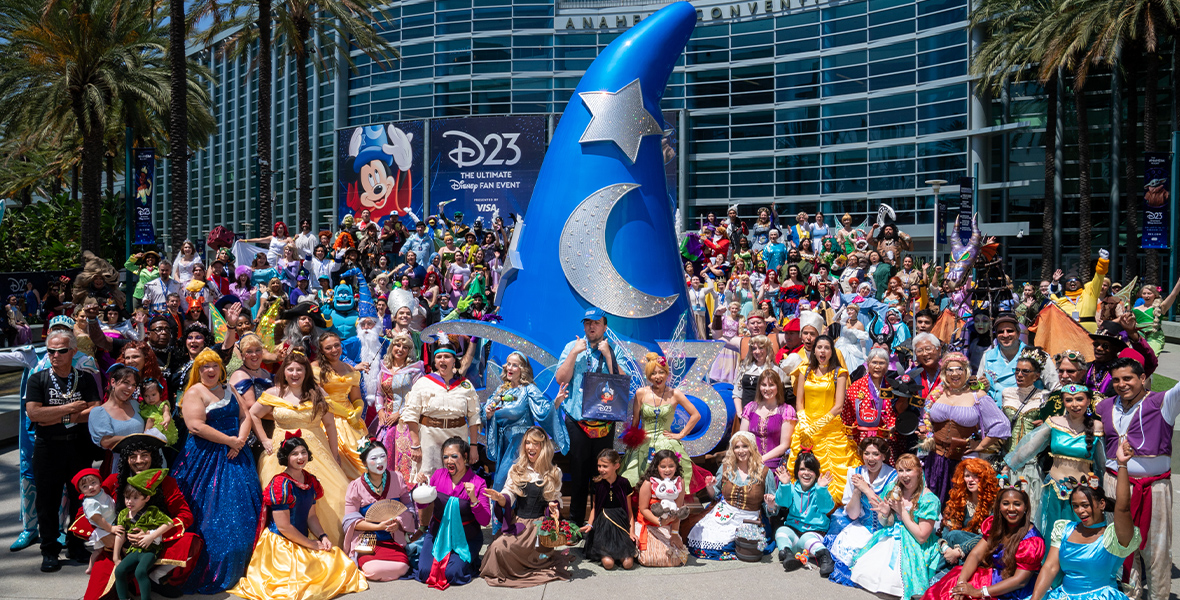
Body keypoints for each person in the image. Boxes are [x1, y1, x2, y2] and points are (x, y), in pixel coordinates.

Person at [229, 434, 368, 600]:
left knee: (340, 564)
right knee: (300, 587)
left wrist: (322, 536)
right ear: (286, 458)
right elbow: (283, 527)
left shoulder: (310, 480)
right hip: (281, 544)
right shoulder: (280, 484)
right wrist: (310, 543)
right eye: (294, 454)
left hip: (301, 538)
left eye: (303, 452)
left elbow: (311, 517)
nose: (300, 457)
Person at [171, 349, 262, 593]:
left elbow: (246, 416)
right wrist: (229, 441)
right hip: (206, 459)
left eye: (213, 366)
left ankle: (246, 566)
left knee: (243, 510)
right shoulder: (194, 392)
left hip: (236, 455)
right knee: (210, 515)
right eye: (204, 367)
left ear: (220, 368)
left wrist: (240, 440)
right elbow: (196, 426)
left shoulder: (230, 388)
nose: (210, 371)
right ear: (198, 370)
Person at [76, 435, 203, 600]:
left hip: (154, 546)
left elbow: (185, 515)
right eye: (133, 456)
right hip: (117, 546)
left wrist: (153, 535)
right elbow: (83, 513)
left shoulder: (166, 482)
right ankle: (129, 581)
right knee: (97, 597)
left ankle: (156, 577)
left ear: (153, 457)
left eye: (144, 455)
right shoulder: (114, 481)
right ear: (126, 459)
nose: (139, 460)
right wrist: (108, 536)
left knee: (190, 541)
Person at [1094, 358, 1180, 600]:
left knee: (1156, 550)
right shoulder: (1104, 406)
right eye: (1117, 380)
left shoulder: (1164, 402)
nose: (1122, 384)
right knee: (1120, 547)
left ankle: (1158, 597)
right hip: (1113, 483)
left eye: (1128, 378)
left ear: (1142, 378)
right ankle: (1128, 596)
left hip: (1154, 487)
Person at [251, 352, 350, 545]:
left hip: (316, 452)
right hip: (282, 453)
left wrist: (334, 454)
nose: (294, 373)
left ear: (306, 372)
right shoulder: (274, 393)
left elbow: (330, 425)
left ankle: (328, 542)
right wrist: (264, 439)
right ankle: (287, 547)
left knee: (336, 494)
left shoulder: (318, 392)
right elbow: (253, 414)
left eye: (299, 369)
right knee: (285, 498)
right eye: (290, 369)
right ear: (284, 371)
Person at [25, 329, 102, 571]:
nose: (55, 355)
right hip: (47, 447)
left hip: (78, 446)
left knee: (81, 497)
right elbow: (34, 414)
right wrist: (70, 410)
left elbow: (94, 410)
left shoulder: (86, 378)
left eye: (60, 350)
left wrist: (56, 416)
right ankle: (49, 550)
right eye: (50, 351)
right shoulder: (37, 379)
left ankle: (76, 544)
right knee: (47, 501)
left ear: (73, 352)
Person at [1028, 438, 1139, 600]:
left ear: (1101, 504)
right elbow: (1050, 567)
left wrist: (1122, 465)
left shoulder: (1115, 536)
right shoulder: (1064, 528)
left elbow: (1123, 508)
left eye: (1085, 505)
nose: (1080, 511)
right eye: (1076, 506)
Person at [1005, 384, 1104, 535]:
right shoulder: (1054, 423)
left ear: (1088, 401)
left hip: (1083, 493)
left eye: (1079, 399)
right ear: (1063, 402)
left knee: (1080, 533)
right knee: (1051, 531)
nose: (1074, 405)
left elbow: (1102, 464)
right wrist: (1008, 466)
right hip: (1054, 488)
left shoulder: (1097, 426)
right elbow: (1030, 446)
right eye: (1069, 400)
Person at [481, 427, 571, 588]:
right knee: (497, 548)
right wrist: (500, 498)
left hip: (539, 529)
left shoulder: (553, 472)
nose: (530, 447)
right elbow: (508, 494)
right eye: (528, 442)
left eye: (535, 443)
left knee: (506, 551)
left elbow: (555, 498)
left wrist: (553, 506)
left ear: (543, 447)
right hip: (519, 524)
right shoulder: (517, 469)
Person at [554, 307, 620, 525]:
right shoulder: (572, 347)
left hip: (604, 421)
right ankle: (575, 523)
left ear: (604, 326)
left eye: (596, 323)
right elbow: (561, 379)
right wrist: (575, 353)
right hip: (578, 420)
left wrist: (608, 355)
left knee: (602, 473)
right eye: (587, 323)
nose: (591, 327)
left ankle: (600, 524)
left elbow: (620, 383)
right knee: (579, 472)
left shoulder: (614, 349)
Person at [923, 487, 1045, 600]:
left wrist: (979, 592)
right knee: (955, 580)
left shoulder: (1032, 541)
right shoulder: (996, 526)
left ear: (1025, 507)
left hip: (1012, 590)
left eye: (1017, 504)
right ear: (999, 506)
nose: (1011, 508)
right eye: (1006, 503)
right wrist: (961, 584)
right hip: (991, 577)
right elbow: (976, 554)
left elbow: (1020, 581)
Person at [848, 453, 941, 599]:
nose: (904, 475)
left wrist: (902, 511)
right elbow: (886, 523)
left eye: (909, 470)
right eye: (901, 471)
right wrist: (885, 514)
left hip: (914, 543)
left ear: (919, 472)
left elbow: (922, 536)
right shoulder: (893, 488)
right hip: (891, 535)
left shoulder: (929, 500)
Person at [921, 352, 1010, 499]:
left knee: (959, 504)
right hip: (935, 459)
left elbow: (1002, 424)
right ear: (944, 373)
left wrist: (981, 445)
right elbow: (924, 418)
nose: (954, 373)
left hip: (963, 460)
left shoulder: (977, 395)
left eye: (959, 369)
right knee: (932, 502)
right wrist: (924, 431)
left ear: (966, 371)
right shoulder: (937, 393)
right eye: (950, 369)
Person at [414, 437, 492, 589]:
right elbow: (423, 505)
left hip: (466, 538)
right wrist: (422, 488)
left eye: (454, 456)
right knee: (424, 572)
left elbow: (484, 520)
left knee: (452, 574)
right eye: (445, 457)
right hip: (437, 535)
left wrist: (474, 500)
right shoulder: (438, 475)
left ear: (465, 457)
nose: (449, 460)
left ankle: (470, 561)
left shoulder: (478, 482)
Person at [484, 352, 570, 491]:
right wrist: (488, 414)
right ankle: (504, 513)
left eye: (515, 365)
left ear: (522, 369)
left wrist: (556, 401)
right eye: (508, 364)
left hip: (521, 444)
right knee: (504, 484)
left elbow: (544, 410)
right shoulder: (501, 391)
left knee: (504, 484)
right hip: (505, 445)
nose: (509, 368)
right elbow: (486, 412)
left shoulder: (528, 389)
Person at [790, 334, 858, 502]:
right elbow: (799, 402)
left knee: (834, 473)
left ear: (831, 352)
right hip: (806, 428)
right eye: (819, 347)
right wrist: (805, 422)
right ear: (814, 351)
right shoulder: (804, 371)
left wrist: (817, 425)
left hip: (830, 431)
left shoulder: (839, 373)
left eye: (827, 348)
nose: (823, 351)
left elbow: (838, 406)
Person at [688, 432, 775, 560]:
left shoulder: (765, 472)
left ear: (752, 447)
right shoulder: (725, 468)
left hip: (749, 517)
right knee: (700, 538)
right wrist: (709, 487)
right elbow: (715, 496)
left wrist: (771, 505)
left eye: (745, 446)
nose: (741, 451)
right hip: (725, 513)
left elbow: (770, 511)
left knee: (733, 544)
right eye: (736, 447)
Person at [826, 437, 899, 587]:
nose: (870, 459)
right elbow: (853, 515)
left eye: (875, 454)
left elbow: (885, 510)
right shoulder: (855, 473)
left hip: (886, 529)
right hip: (863, 527)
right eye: (867, 453)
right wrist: (857, 492)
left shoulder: (894, 477)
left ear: (884, 456)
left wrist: (866, 489)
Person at [621, 352, 700, 488]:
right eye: (653, 373)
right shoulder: (641, 393)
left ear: (667, 373)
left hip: (667, 442)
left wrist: (681, 435)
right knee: (633, 479)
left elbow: (696, 415)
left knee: (672, 481)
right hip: (644, 442)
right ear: (649, 376)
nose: (657, 377)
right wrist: (631, 441)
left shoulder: (675, 394)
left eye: (661, 372)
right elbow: (635, 422)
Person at [403, 342, 482, 478]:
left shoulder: (465, 385)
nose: (442, 360)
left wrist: (473, 446)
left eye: (447, 356)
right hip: (430, 437)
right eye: (439, 357)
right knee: (427, 479)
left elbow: (474, 417)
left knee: (456, 477)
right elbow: (411, 415)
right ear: (435, 361)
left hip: (457, 438)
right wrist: (415, 445)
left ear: (454, 361)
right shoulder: (423, 382)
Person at [342, 439, 416, 582]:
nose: (379, 462)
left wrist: (398, 522)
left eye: (382, 456)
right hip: (369, 541)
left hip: (393, 539)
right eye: (373, 458)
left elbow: (409, 507)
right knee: (374, 570)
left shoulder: (397, 478)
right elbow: (350, 519)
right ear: (364, 463)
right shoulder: (355, 486)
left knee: (402, 567)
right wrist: (377, 526)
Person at [112, 469, 175, 600]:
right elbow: (120, 534)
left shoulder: (152, 512)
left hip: (150, 549)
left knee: (140, 572)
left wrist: (151, 536)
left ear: (146, 498)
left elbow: (169, 523)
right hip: (134, 550)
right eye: (127, 497)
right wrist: (116, 556)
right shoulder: (124, 514)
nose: (130, 501)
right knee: (119, 571)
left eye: (135, 498)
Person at [771, 450, 836, 574]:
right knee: (781, 531)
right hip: (795, 533)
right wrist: (784, 485)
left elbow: (826, 508)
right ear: (797, 472)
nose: (806, 473)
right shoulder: (791, 488)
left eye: (810, 470)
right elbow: (783, 502)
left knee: (806, 538)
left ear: (816, 473)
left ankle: (825, 558)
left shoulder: (819, 489)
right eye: (802, 469)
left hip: (814, 534)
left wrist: (821, 489)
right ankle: (788, 555)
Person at [314, 332, 368, 480]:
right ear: (322, 351)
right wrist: (345, 412)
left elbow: (357, 398)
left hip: (351, 422)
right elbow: (319, 399)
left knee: (362, 459)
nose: (334, 350)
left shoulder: (350, 368)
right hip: (326, 419)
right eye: (328, 348)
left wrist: (358, 410)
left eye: (336, 345)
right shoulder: (315, 368)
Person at [375, 333, 424, 481]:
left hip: (406, 421)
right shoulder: (383, 369)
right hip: (386, 420)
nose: (400, 349)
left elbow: (418, 397)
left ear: (409, 351)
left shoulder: (414, 371)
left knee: (405, 457)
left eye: (405, 347)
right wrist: (380, 410)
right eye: (397, 345)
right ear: (392, 347)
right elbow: (379, 393)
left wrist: (399, 413)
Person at [842, 348, 903, 462]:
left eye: (881, 363)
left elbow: (896, 411)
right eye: (874, 362)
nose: (877, 367)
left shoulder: (892, 386)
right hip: (862, 437)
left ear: (887, 365)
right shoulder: (856, 386)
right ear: (868, 364)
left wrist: (892, 425)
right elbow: (847, 414)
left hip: (885, 437)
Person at [939, 459, 1000, 571]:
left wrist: (959, 551)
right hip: (954, 555)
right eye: (967, 476)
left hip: (983, 553)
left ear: (985, 478)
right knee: (952, 536)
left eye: (975, 475)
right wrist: (946, 549)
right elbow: (946, 531)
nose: (970, 480)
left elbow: (990, 538)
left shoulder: (995, 504)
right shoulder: (958, 500)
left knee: (955, 535)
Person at [581, 449, 637, 569]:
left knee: (628, 564)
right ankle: (608, 554)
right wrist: (590, 524)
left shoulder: (624, 483)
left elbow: (630, 511)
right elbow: (595, 508)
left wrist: (631, 531)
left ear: (616, 466)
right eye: (599, 466)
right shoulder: (597, 484)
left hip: (620, 523)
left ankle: (618, 553)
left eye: (605, 466)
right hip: (603, 524)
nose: (601, 469)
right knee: (608, 564)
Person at [633, 449, 690, 567]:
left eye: (671, 466)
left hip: (668, 525)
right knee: (650, 559)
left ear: (676, 466)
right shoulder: (648, 483)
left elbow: (677, 509)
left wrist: (674, 533)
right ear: (656, 466)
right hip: (649, 524)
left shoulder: (679, 482)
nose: (667, 470)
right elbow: (643, 509)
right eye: (663, 466)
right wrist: (659, 522)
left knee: (677, 559)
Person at [739, 369, 795, 470]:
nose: (767, 389)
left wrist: (761, 459)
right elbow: (741, 438)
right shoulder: (750, 408)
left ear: (778, 386)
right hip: (749, 461)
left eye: (771, 385)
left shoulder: (786, 411)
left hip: (774, 464)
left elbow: (784, 445)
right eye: (763, 385)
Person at [88, 364, 145, 461]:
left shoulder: (135, 405)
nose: (130, 388)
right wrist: (138, 439)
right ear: (113, 382)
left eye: (133, 385)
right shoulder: (99, 412)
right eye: (126, 383)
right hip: (118, 464)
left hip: (144, 462)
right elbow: (106, 442)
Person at [1086, 319, 1157, 397]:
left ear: (1116, 349)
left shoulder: (1124, 369)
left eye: (1105, 346)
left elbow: (1150, 363)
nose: (1099, 348)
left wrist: (1133, 335)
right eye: (1096, 344)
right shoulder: (1085, 368)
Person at [1050, 251, 1109, 332]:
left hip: (1089, 334)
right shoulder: (1059, 301)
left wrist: (1103, 261)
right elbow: (1051, 293)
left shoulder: (1090, 293)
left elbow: (1099, 277)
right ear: (1064, 286)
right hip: (1067, 334)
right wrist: (1055, 281)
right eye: (1069, 281)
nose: (1072, 282)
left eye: (1075, 280)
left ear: (1081, 284)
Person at [72, 468, 115, 574]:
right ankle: (91, 567)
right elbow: (98, 519)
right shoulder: (90, 502)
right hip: (103, 528)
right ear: (80, 491)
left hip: (110, 521)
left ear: (100, 482)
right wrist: (111, 528)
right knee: (99, 550)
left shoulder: (101, 492)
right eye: (84, 486)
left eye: (93, 483)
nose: (90, 487)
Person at [1131, 278, 1180, 355]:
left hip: (1155, 337)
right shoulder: (1135, 309)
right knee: (1134, 358)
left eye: (1149, 293)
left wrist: (1179, 282)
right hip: (1139, 337)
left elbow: (1173, 294)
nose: (1146, 296)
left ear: (1155, 295)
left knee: (1150, 357)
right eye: (1144, 293)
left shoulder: (1160, 307)